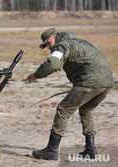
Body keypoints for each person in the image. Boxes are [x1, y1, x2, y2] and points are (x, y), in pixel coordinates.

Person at [27, 27, 113, 160]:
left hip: (89, 82)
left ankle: (51, 149)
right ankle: (91, 149)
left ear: (55, 36)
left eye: (48, 43)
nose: (48, 48)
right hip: (107, 82)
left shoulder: (62, 46)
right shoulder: (80, 42)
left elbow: (53, 64)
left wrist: (36, 75)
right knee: (86, 110)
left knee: (63, 110)